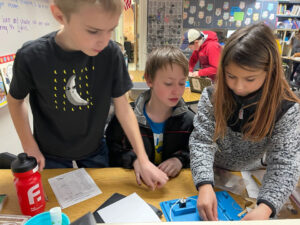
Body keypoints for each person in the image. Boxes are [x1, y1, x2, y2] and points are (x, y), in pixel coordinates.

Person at [7, 0, 168, 190]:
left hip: (95, 149)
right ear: (60, 16)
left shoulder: (111, 54)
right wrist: (29, 146)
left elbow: (123, 108)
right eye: (93, 31)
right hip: (49, 153)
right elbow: (15, 100)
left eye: (111, 29)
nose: (104, 40)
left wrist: (143, 159)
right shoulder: (31, 56)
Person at [189, 23, 300, 221]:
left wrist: (265, 209)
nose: (238, 87)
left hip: (255, 174)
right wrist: (205, 184)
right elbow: (202, 141)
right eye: (231, 76)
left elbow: (285, 164)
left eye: (250, 79)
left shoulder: (287, 108)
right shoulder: (212, 96)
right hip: (214, 172)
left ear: (270, 72)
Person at [106, 46, 195, 181]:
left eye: (182, 83)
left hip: (172, 190)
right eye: (168, 83)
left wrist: (179, 160)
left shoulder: (189, 121)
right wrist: (134, 161)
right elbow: (112, 149)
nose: (177, 91)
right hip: (136, 187)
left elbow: (197, 152)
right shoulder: (125, 118)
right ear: (149, 80)